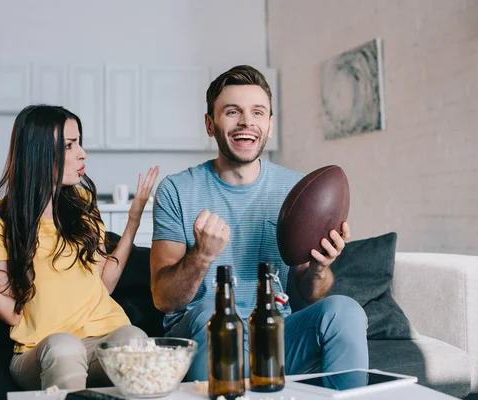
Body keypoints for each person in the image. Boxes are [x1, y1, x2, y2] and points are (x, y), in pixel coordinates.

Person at [150, 65, 368, 382]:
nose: (246, 122)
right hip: (205, 332)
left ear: (269, 126)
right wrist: (201, 256)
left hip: (275, 334)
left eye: (257, 112)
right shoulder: (177, 190)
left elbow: (312, 293)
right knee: (214, 309)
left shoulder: (294, 190)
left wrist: (321, 267)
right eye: (232, 112)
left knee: (345, 311)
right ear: (210, 124)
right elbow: (164, 299)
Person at [0, 105, 160, 390]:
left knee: (134, 338)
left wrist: (133, 221)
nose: (82, 153)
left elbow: (104, 285)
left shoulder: (83, 205)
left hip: (101, 338)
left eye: (79, 143)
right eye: (69, 145)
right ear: (39, 154)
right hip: (42, 350)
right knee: (65, 347)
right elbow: (13, 313)